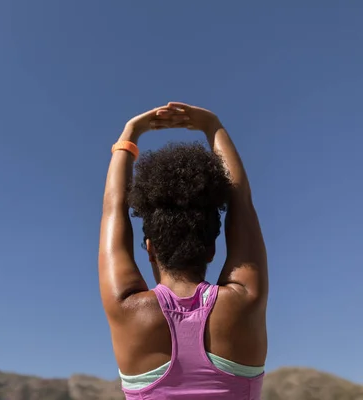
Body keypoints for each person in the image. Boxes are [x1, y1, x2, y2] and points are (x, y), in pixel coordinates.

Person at [98, 102, 268, 399]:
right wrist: (212, 126)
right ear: (212, 248)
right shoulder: (244, 299)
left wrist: (130, 135)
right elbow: (242, 202)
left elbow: (114, 209)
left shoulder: (126, 308)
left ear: (150, 248)